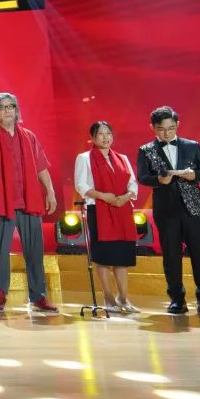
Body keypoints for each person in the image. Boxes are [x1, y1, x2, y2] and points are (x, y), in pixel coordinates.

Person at [0, 92, 60, 314]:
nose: (8, 110)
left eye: (11, 106)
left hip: (29, 200)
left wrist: (50, 191)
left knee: (35, 251)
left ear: (16, 110)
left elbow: (41, 166)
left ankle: (38, 296)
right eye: (2, 107)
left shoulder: (29, 137)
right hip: (2, 203)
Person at [135, 106, 200, 317]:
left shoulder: (192, 146)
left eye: (171, 128)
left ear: (178, 125)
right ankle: (177, 300)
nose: (167, 133)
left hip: (194, 208)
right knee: (171, 255)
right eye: (161, 129)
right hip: (166, 210)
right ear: (153, 127)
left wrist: (194, 175)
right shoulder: (146, 150)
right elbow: (142, 177)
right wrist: (158, 180)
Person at [74, 121, 139, 314]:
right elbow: (81, 185)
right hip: (98, 210)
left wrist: (125, 197)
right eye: (100, 134)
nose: (105, 137)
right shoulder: (84, 158)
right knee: (103, 257)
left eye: (108, 133)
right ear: (93, 138)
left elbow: (132, 184)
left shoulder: (122, 158)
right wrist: (104, 196)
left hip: (122, 209)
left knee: (121, 257)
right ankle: (109, 298)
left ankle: (123, 298)